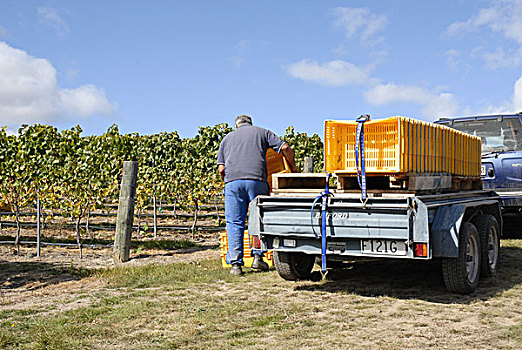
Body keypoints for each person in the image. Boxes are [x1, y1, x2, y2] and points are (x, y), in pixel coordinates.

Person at [217, 115, 298, 275]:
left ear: (236, 125)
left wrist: (228, 181)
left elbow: (221, 169)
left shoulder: (226, 139)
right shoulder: (263, 132)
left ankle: (235, 265)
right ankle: (257, 258)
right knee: (256, 221)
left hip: (233, 182)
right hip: (257, 181)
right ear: (250, 124)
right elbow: (285, 148)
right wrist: (293, 169)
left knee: (234, 222)